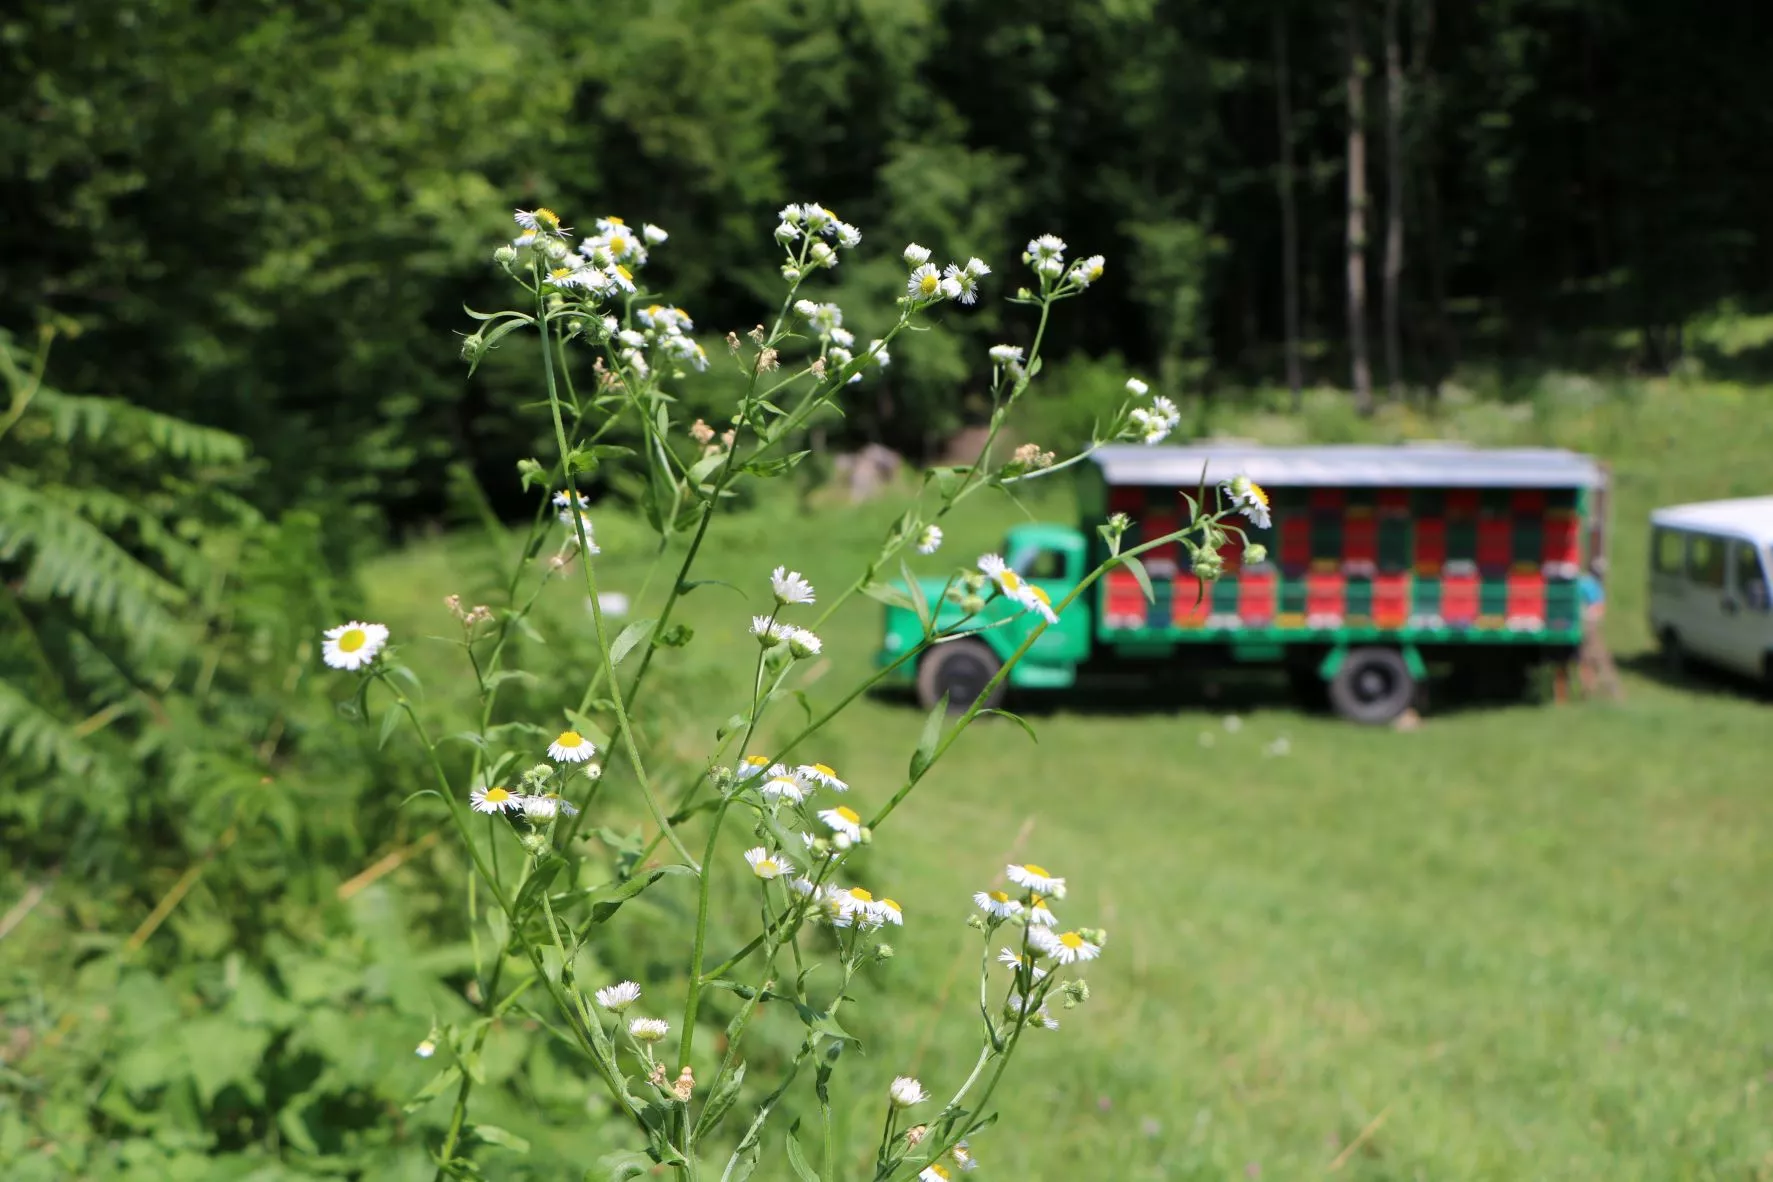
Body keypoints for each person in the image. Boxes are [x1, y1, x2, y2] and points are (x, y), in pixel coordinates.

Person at [1576, 559, 1621, 698]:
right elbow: (1597, 609)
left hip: (1581, 623)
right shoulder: (1593, 586)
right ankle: (1611, 692)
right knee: (1598, 657)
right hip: (1590, 624)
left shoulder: (1582, 582)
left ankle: (1588, 690)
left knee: (1585, 657)